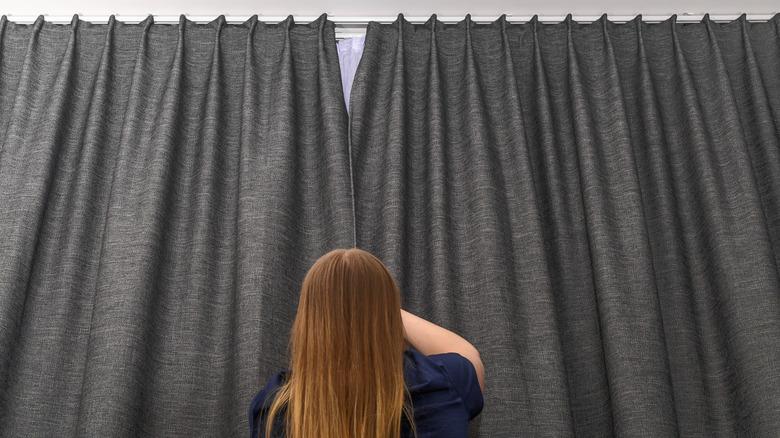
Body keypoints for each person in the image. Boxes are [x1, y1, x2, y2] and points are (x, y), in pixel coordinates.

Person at [248, 248, 485, 438]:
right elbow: (468, 355)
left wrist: (337, 307)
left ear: (307, 321)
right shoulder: (440, 382)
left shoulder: (272, 409)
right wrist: (378, 309)